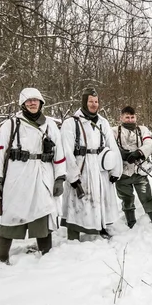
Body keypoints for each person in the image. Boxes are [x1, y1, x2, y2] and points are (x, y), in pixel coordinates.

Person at [0, 88, 66, 263]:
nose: (32, 103)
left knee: (43, 211)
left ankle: (46, 255)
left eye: (36, 100)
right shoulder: (11, 124)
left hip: (43, 174)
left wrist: (60, 177)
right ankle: (2, 257)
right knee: (11, 214)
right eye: (29, 100)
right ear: (23, 103)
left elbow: (59, 153)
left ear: (41, 103)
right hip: (18, 176)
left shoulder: (50, 125)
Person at [61, 86, 123, 241]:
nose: (94, 104)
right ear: (84, 102)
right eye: (91, 101)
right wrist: (73, 176)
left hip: (100, 166)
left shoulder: (103, 122)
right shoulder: (71, 123)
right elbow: (66, 151)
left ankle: (99, 226)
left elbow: (112, 146)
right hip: (81, 166)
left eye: (96, 101)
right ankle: (73, 233)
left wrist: (116, 169)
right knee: (76, 201)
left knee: (99, 198)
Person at [112, 106, 152, 230]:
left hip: (140, 172)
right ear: (121, 118)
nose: (130, 120)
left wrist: (139, 153)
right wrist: (121, 153)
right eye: (127, 117)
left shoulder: (143, 130)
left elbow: (149, 144)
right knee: (126, 198)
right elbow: (109, 145)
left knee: (147, 197)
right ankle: (131, 222)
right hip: (122, 172)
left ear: (136, 117)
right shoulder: (113, 131)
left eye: (132, 117)